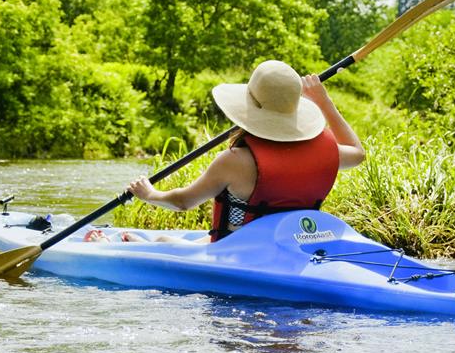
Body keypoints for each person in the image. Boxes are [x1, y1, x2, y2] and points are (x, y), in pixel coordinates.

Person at [127, 59, 365, 242]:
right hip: (292, 245)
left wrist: (149, 194)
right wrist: (324, 102)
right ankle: (150, 241)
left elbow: (183, 202)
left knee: (163, 241)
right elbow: (357, 152)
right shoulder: (325, 152)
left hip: (237, 251)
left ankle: (133, 244)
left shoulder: (234, 161)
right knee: (170, 240)